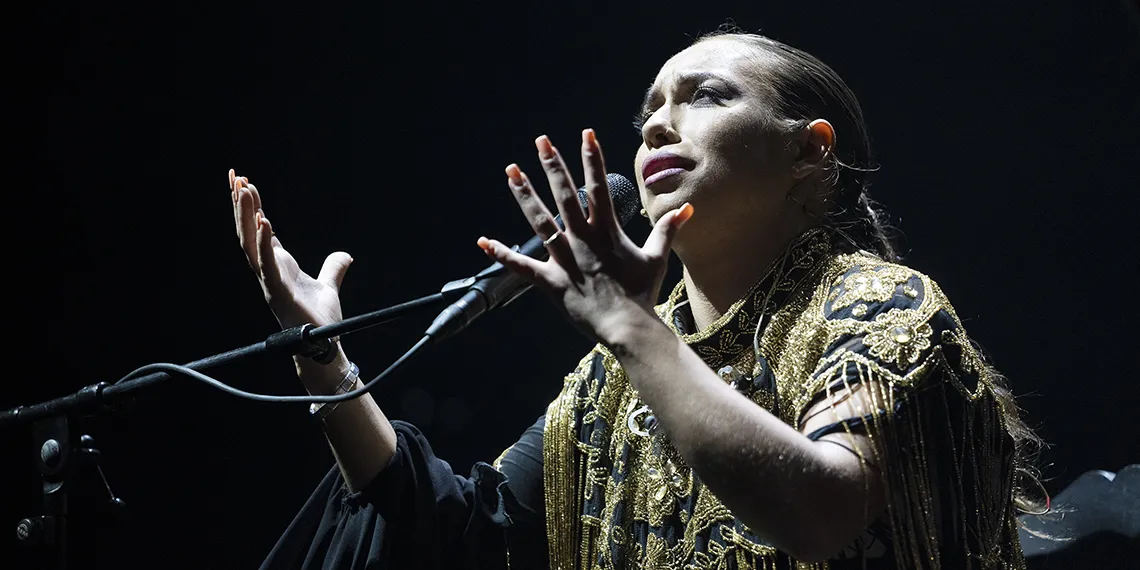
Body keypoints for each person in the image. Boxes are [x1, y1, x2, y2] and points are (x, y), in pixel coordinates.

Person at [235, 30, 1043, 570]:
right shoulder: (604, 386)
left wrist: (631, 326)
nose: (658, 125)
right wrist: (323, 358)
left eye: (706, 96)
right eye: (649, 110)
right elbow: (467, 535)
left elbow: (819, 515)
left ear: (809, 152)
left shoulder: (880, 304)